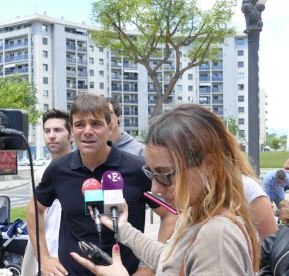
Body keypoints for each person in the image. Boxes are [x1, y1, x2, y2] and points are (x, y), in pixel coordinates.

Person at [71, 103, 259, 275]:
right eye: (151, 174)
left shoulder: (217, 237)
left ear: (209, 164)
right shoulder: (196, 214)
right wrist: (122, 229)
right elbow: (169, 259)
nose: (155, 189)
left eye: (165, 175)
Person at [26, 94, 161, 276]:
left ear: (110, 127)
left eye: (96, 124)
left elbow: (170, 215)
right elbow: (35, 209)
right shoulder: (58, 170)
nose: (87, 131)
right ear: (72, 131)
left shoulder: (137, 169)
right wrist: (44, 257)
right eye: (80, 124)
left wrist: (149, 267)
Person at [21, 109, 73, 275]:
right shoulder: (39, 175)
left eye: (58, 130)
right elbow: (35, 216)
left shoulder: (82, 173)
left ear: (71, 135)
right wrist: (43, 257)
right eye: (47, 131)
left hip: (73, 258)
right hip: (45, 260)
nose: (51, 135)